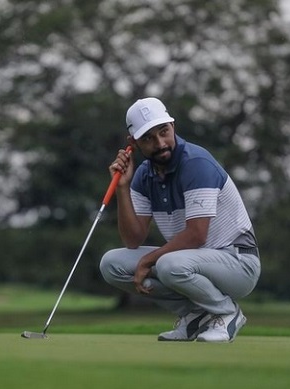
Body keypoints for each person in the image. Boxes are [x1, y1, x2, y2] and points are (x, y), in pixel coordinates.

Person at [99, 97, 261, 343]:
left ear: (173, 125)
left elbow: (197, 234)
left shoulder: (196, 163)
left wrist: (148, 260)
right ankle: (195, 316)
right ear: (133, 143)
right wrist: (123, 187)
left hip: (238, 262)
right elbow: (132, 239)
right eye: (149, 138)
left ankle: (227, 312)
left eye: (164, 131)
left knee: (168, 264)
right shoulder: (143, 176)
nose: (160, 143)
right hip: (190, 260)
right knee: (111, 264)